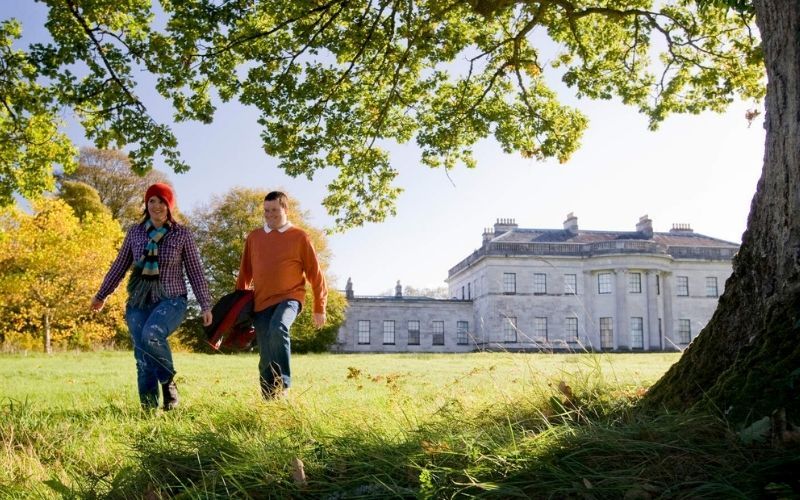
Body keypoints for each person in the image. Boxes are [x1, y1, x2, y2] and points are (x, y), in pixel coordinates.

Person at [90, 183, 213, 410]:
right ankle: (148, 410)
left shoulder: (181, 234)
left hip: (172, 299)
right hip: (139, 301)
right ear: (146, 205)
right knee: (142, 356)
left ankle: (167, 382)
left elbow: (195, 271)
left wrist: (205, 304)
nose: (156, 206)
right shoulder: (135, 233)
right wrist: (102, 294)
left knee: (152, 334)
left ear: (169, 205)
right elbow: (119, 266)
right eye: (152, 201)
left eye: (161, 201)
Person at [236, 191, 327, 399]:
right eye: (266, 211)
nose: (270, 214)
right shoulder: (254, 237)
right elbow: (245, 273)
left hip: (290, 298)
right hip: (261, 303)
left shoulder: (300, 237)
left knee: (279, 327)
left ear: (285, 209)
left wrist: (319, 307)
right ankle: (269, 400)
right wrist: (237, 306)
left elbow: (316, 274)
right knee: (266, 353)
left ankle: (284, 384)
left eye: (274, 210)